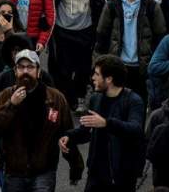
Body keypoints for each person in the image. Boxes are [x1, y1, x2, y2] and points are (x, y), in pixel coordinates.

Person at [0, 49, 78, 192]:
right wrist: (11, 105)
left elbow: (68, 133)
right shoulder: (5, 96)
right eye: (21, 67)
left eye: (30, 67)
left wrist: (75, 166)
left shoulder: (55, 98)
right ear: (15, 71)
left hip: (44, 171)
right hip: (14, 172)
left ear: (39, 71)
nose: (25, 71)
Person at [60, 55, 146, 192]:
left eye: (97, 74)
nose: (93, 78)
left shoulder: (133, 101)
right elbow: (86, 130)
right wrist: (69, 137)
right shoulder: (96, 99)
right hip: (96, 173)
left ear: (109, 79)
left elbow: (135, 129)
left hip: (121, 176)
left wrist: (107, 123)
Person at [94, 0, 167, 100]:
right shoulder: (112, 5)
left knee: (139, 105)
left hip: (141, 66)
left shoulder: (151, 6)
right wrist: (99, 64)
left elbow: (160, 36)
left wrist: (154, 63)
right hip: (118, 64)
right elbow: (101, 36)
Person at [50, 0, 97, 111]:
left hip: (85, 29)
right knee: (64, 69)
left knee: (83, 68)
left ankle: (80, 96)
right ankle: (69, 100)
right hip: (64, 30)